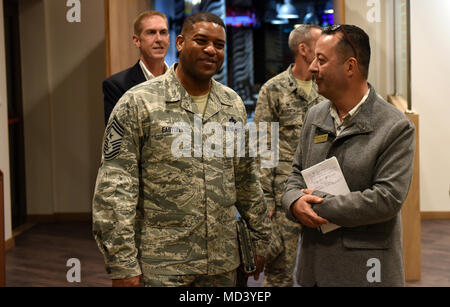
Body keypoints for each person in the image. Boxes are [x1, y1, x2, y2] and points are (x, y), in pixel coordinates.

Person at [92, 12, 271, 287]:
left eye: (219, 45)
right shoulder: (138, 102)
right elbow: (116, 188)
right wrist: (122, 264)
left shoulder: (231, 103)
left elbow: (246, 178)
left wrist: (259, 240)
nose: (211, 50)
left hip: (222, 265)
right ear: (180, 42)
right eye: (201, 41)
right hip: (164, 267)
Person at [281, 24, 415, 287]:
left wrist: (316, 205)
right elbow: (296, 173)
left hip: (365, 270)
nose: (311, 69)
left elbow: (386, 199)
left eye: (321, 60)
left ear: (350, 66)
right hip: (314, 267)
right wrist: (294, 202)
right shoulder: (314, 116)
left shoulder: (395, 126)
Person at [254, 24, 323, 287]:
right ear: (303, 49)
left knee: (322, 271)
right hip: (285, 197)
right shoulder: (274, 90)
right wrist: (266, 201)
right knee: (279, 273)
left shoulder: (326, 86)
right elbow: (263, 149)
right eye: (319, 43)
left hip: (322, 191)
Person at [102, 10, 170, 125]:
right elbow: (117, 138)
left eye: (163, 32)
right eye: (151, 32)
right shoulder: (116, 86)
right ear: (137, 41)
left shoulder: (182, 82)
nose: (159, 39)